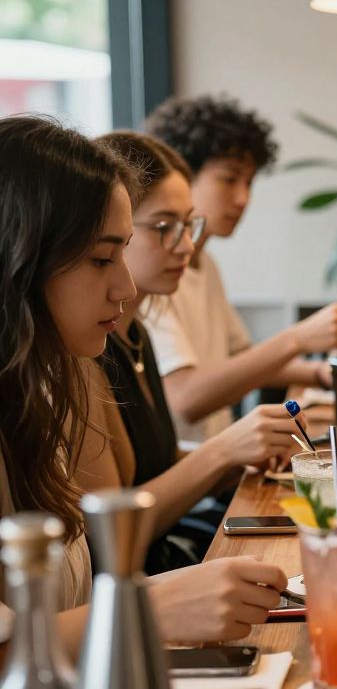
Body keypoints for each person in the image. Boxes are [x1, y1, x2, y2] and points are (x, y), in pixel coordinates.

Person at [0, 115, 286, 655]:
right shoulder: (71, 376)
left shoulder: (37, 395)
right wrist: (152, 608)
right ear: (20, 259)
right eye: (103, 258)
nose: (125, 284)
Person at [73, 131, 303, 573]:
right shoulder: (85, 355)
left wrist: (239, 455)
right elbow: (114, 533)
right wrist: (223, 451)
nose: (185, 245)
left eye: (189, 225)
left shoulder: (133, 331)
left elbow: (154, 465)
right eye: (164, 228)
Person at [143, 95, 337, 444]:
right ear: (182, 175)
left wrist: (320, 372)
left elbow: (243, 359)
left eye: (249, 183)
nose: (243, 198)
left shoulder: (206, 265)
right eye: (229, 179)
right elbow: (184, 399)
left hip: (218, 471)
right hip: (191, 475)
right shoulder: (153, 277)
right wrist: (298, 338)